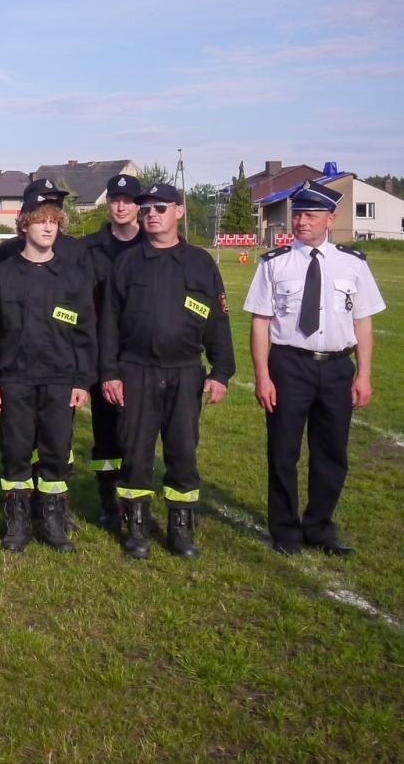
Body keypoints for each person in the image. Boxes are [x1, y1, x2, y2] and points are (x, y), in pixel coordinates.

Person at [243, 181, 385, 557]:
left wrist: (364, 374)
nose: (302, 221)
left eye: (311, 215)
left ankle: (321, 527)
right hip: (289, 366)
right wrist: (262, 375)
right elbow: (260, 322)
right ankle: (285, 529)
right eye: (298, 214)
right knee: (283, 451)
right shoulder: (275, 263)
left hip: (337, 368)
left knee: (332, 453)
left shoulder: (353, 264)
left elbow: (363, 322)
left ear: (330, 219)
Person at [100, 183, 234, 560]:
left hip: (185, 371)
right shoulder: (127, 263)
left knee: (182, 452)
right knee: (135, 452)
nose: (151, 213)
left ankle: (181, 528)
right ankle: (137, 525)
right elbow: (108, 322)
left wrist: (220, 371)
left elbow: (218, 322)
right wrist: (109, 372)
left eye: (160, 206)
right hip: (136, 371)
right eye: (146, 209)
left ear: (180, 211)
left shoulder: (200, 263)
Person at [0, 196, 97, 554]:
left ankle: (53, 521)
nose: (49, 227)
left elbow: (85, 332)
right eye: (41, 220)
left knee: (56, 452)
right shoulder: (2, 275)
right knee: (15, 451)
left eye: (54, 221)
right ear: (24, 225)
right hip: (14, 379)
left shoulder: (72, 277)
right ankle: (17, 521)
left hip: (59, 380)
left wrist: (81, 380)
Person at [81, 173, 144, 529]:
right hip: (101, 352)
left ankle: (133, 498)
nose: (121, 206)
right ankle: (108, 501)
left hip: (139, 354)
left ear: (138, 206)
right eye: (115, 200)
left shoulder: (151, 246)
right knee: (105, 433)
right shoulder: (90, 249)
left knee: (136, 430)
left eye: (128, 200)